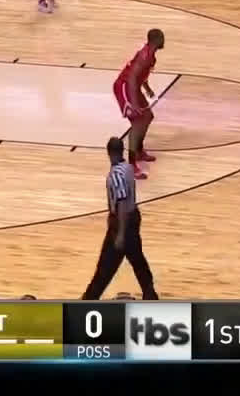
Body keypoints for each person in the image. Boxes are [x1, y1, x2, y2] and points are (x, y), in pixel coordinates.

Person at [80, 137, 159, 300]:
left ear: (109, 153)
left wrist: (121, 233)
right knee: (137, 260)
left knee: (106, 266)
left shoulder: (115, 175)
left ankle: (89, 298)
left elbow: (121, 203)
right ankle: (150, 294)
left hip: (122, 223)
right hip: (133, 216)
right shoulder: (128, 168)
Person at [112, 28, 164, 179]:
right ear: (156, 40)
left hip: (133, 87)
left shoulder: (151, 56)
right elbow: (132, 78)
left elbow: (141, 75)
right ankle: (131, 165)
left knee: (147, 116)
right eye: (161, 38)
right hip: (124, 87)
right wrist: (134, 103)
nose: (163, 41)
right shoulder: (144, 56)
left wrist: (147, 89)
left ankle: (139, 151)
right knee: (137, 123)